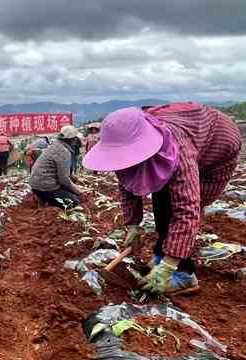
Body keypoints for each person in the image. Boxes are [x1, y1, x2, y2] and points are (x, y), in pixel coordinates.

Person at [83, 103, 242, 295]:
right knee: (161, 201)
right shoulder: (128, 147)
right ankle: (161, 255)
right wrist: (133, 224)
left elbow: (187, 209)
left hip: (218, 150)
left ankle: (184, 274)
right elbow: (127, 182)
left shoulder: (178, 148)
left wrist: (168, 266)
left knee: (175, 208)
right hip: (192, 139)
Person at [29, 126, 81, 208]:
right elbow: (63, 179)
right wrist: (77, 190)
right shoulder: (64, 151)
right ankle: (47, 200)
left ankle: (42, 197)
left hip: (34, 184)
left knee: (69, 190)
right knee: (74, 202)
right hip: (47, 187)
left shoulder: (55, 145)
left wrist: (73, 178)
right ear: (72, 140)